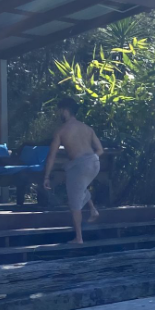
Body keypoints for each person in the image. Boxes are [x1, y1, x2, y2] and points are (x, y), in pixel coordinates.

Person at [43, 97, 104, 244]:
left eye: (60, 111)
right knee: (80, 187)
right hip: (94, 163)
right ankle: (93, 210)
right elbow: (100, 150)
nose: (59, 114)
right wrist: (90, 160)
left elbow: (52, 155)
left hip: (80, 165)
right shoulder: (87, 128)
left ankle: (79, 238)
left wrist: (46, 176)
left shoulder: (61, 131)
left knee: (74, 203)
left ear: (65, 111)